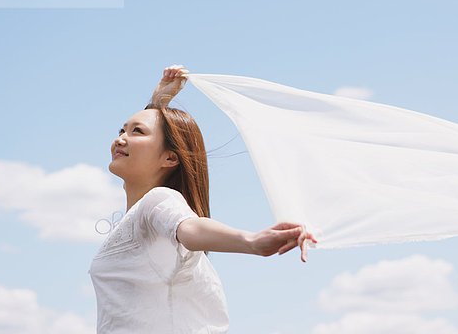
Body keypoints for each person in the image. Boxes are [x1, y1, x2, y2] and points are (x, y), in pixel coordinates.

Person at [89, 65, 316, 333]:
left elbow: (190, 227)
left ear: (171, 158)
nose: (120, 139)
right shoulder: (142, 219)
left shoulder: (159, 200)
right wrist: (158, 103)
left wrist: (251, 241)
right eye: (121, 130)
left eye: (136, 132)